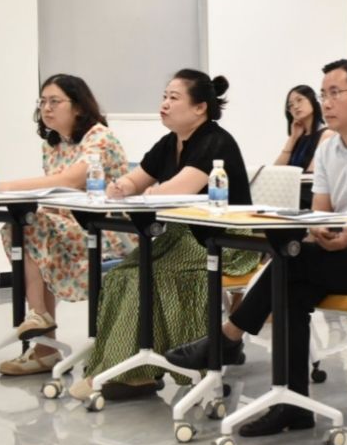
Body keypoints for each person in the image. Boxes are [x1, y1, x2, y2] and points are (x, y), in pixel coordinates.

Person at [165, 59, 347, 436]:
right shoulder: (329, 150)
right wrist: (319, 229)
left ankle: (229, 338)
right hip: (341, 256)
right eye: (323, 94)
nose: (326, 102)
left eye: (335, 93)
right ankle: (292, 405)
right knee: (291, 283)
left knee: (292, 263)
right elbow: (320, 212)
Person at [67, 69, 260, 400]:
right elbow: (137, 180)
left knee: (150, 275)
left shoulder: (215, 141)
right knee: (122, 275)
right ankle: (129, 369)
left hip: (225, 240)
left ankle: (155, 367)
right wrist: (121, 186)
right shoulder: (169, 142)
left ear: (200, 108)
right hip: (183, 236)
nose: (165, 104)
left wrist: (143, 191)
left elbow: (176, 190)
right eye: (164, 96)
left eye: (174, 97)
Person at [0, 74, 131, 376]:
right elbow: (54, 198)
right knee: (20, 226)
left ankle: (39, 319)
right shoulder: (53, 145)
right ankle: (44, 342)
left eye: (55, 101)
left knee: (32, 225)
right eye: (43, 101)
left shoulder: (99, 137)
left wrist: (0, 186)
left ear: (79, 107)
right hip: (70, 229)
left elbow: (69, 181)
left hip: (108, 231)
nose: (46, 108)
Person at [273, 84, 334, 208]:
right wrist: (293, 138)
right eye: (290, 105)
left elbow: (311, 176)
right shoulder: (297, 138)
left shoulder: (327, 134)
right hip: (291, 196)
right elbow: (275, 172)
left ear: (312, 100)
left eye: (299, 100)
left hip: (309, 197)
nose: (295, 106)